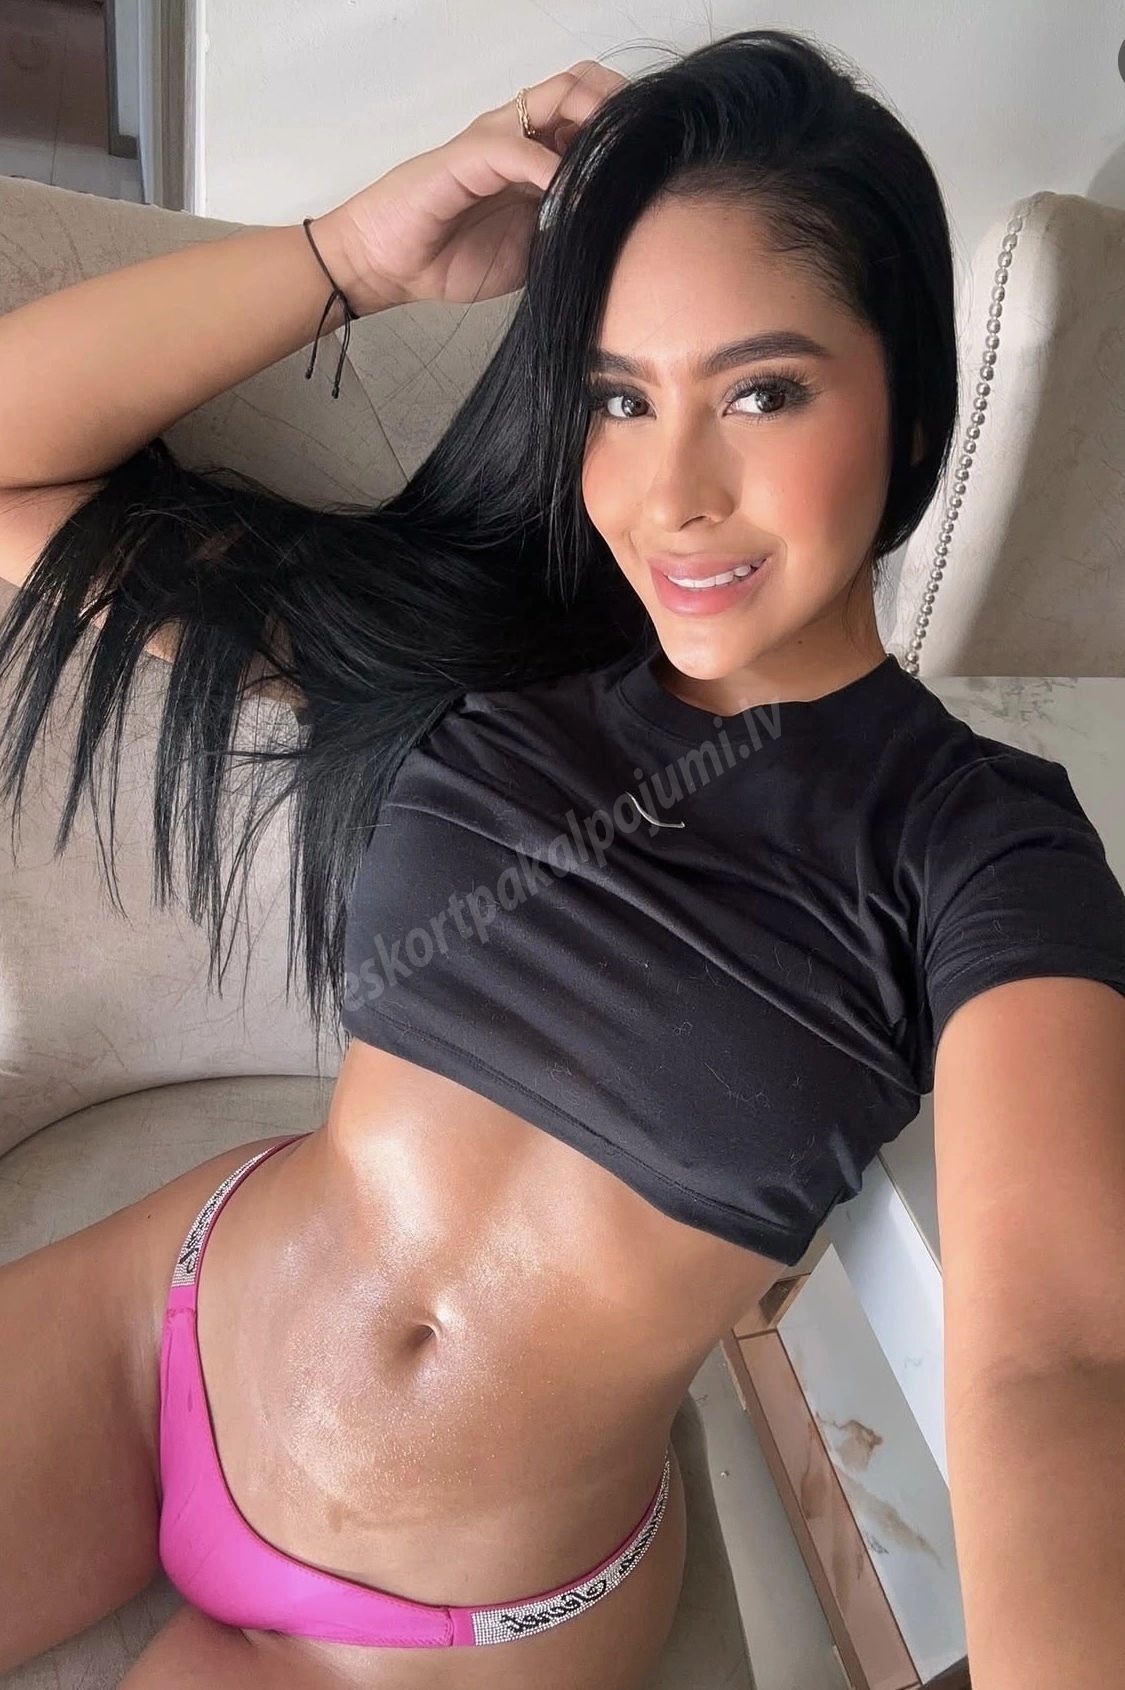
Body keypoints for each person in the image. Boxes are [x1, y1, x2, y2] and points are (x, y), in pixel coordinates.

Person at [2, 25, 1125, 1690]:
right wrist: (351, 254)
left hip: (448, 1627)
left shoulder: (982, 841)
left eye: (762, 391)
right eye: (617, 397)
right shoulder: (488, 658)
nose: (673, 492)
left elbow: (1058, 1364)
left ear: (907, 413)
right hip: (153, 1336)